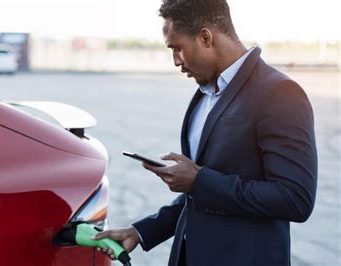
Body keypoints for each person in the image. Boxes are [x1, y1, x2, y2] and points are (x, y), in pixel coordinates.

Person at [92, 0, 318, 265]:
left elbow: (295, 198)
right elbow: (201, 193)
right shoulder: (204, 95)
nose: (175, 61)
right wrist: (141, 231)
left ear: (205, 37)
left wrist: (199, 180)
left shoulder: (278, 93)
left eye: (177, 48)